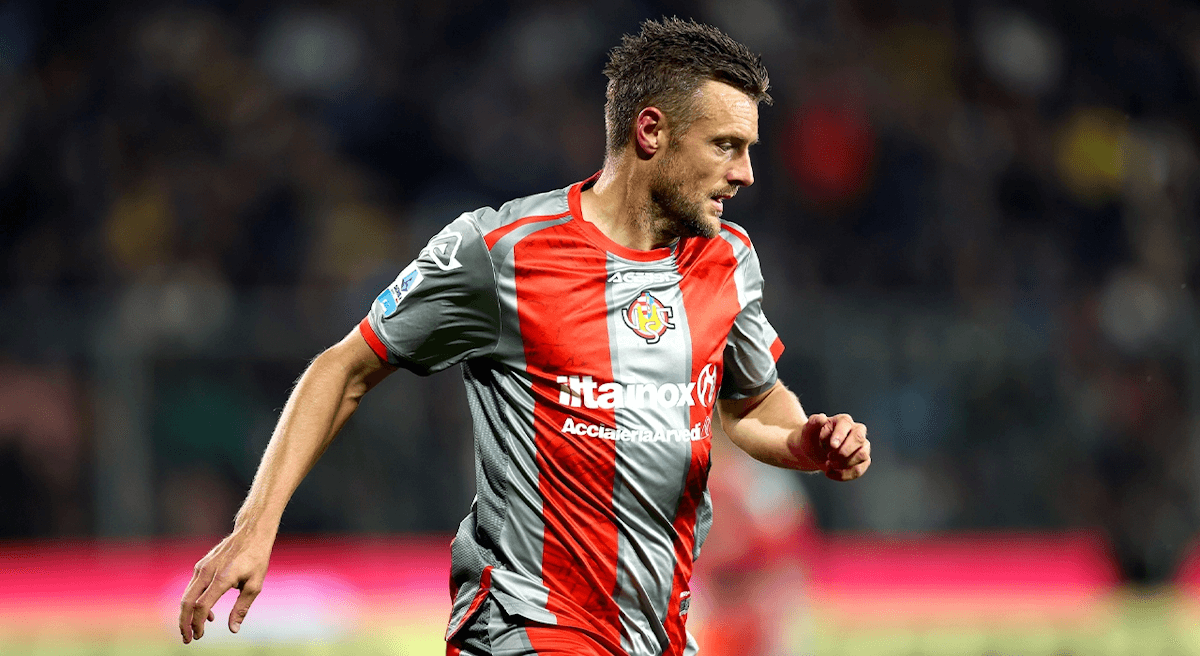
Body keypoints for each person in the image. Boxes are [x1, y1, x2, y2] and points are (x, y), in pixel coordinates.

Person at [178, 17, 870, 656]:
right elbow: (344, 368)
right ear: (651, 132)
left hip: (658, 636)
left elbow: (753, 402)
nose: (745, 172)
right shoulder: (499, 250)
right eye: (726, 146)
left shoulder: (728, 260)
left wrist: (804, 441)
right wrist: (255, 525)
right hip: (523, 628)